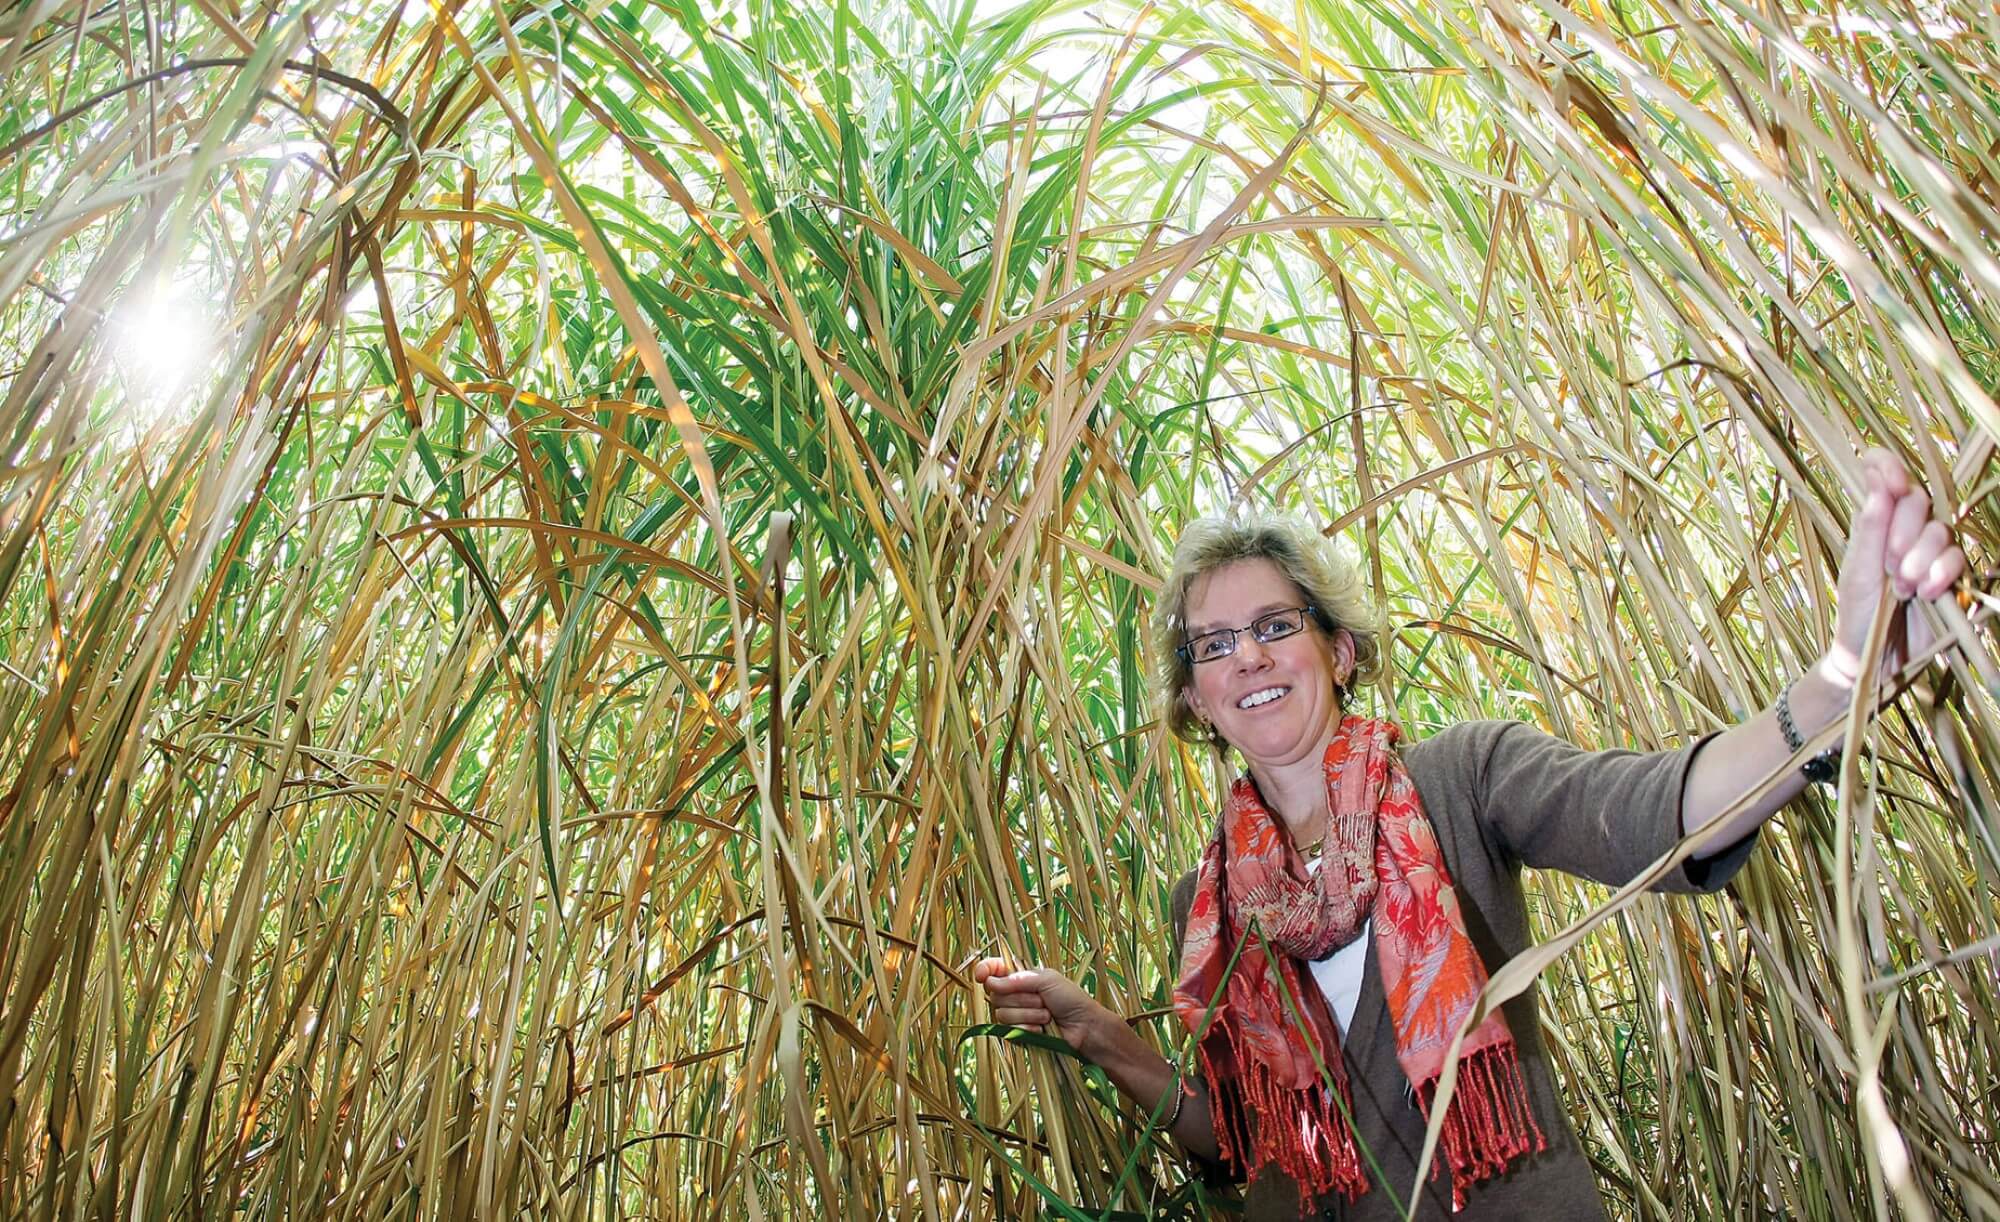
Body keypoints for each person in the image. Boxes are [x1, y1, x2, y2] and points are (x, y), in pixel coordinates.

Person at [973, 448, 1968, 1219]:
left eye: (1276, 625)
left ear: (1340, 647)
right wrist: (1094, 1031)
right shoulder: (1207, 903)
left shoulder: (1458, 779)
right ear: (1192, 695)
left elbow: (1657, 810)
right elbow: (1234, 1140)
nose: (1248, 659)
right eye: (1215, 644)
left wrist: (1840, 681)